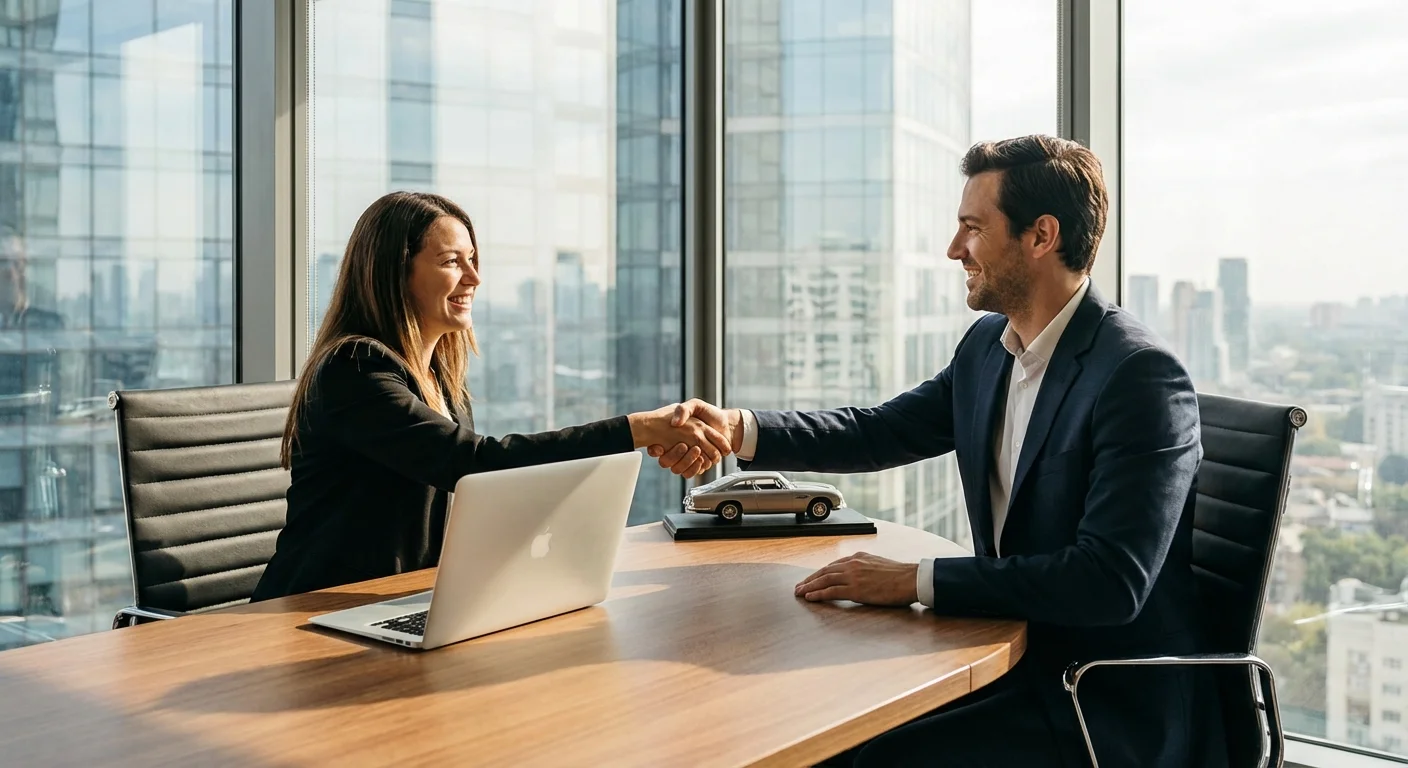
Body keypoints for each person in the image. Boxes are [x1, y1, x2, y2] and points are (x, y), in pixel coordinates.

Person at [650, 136, 1224, 767]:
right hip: (1013, 660)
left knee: (857, 757)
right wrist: (738, 429)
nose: (955, 250)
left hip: (1101, 705)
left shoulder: (1136, 376)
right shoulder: (988, 348)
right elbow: (880, 430)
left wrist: (914, 581)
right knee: (821, 725)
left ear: (1041, 236)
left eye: (972, 228)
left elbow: (1108, 582)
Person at [252, 191, 727, 601]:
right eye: (451, 261)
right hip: (310, 613)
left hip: (397, 600)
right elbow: (475, 466)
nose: (474, 279)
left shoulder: (440, 380)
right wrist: (636, 429)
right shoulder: (354, 369)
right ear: (393, 273)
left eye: (473, 260)